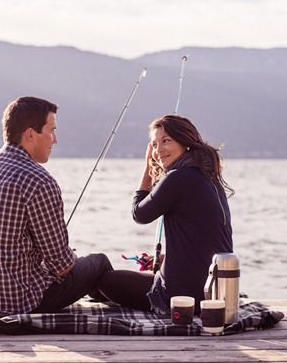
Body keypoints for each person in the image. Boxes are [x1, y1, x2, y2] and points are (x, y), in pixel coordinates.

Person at [0, 96, 112, 316]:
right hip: (21, 302)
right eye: (51, 131)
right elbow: (61, 266)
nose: (54, 140)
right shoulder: (38, 180)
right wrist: (71, 258)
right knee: (99, 262)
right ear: (30, 134)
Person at [98, 114, 234, 314]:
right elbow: (201, 240)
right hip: (212, 290)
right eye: (154, 145)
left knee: (105, 281)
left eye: (166, 141)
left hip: (184, 295)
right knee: (107, 285)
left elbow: (139, 214)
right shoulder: (208, 177)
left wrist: (146, 168)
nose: (158, 150)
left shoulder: (178, 177)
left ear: (185, 142)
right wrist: (166, 259)